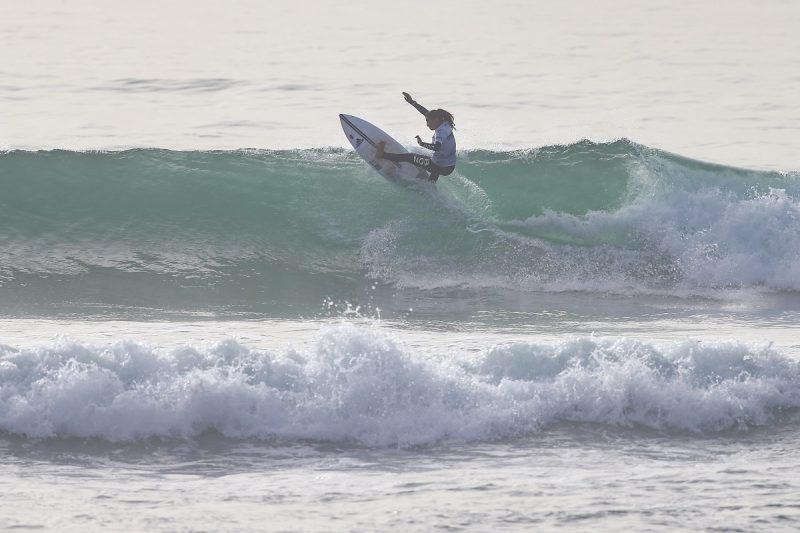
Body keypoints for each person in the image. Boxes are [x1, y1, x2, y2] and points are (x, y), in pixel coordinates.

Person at [375, 92, 457, 182]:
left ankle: (382, 155)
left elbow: (437, 147)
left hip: (440, 166)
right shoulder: (446, 123)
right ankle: (430, 185)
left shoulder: (440, 133)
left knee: (409, 157)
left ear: (436, 120)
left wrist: (422, 144)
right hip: (449, 167)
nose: (427, 125)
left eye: (428, 122)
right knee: (434, 163)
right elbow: (426, 113)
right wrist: (412, 102)